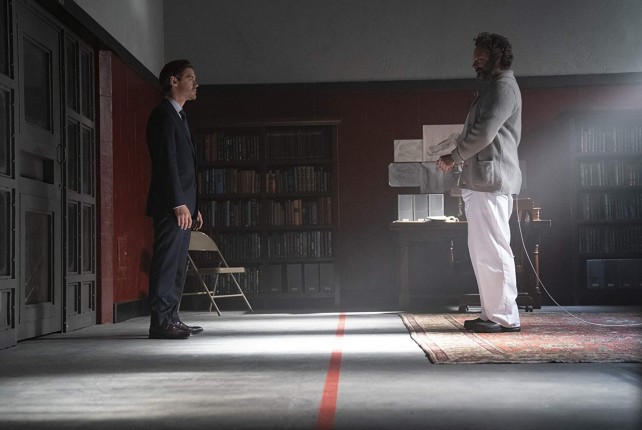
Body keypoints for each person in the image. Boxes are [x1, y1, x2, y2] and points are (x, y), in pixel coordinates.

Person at [438, 33, 522, 333]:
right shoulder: (493, 88)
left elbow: (485, 133)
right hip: (481, 180)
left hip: (491, 180)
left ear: (497, 56)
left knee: (494, 249)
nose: (474, 61)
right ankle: (493, 313)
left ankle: (505, 317)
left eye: (480, 56)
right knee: (483, 251)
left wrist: (455, 156)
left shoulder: (503, 88)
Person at [146, 59, 204, 339]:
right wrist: (179, 202)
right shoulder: (163, 115)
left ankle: (172, 317)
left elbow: (187, 167)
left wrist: (194, 206)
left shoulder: (181, 117)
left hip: (184, 205)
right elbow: (166, 163)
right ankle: (160, 323)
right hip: (172, 205)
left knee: (178, 264)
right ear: (173, 81)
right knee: (167, 262)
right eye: (190, 77)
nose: (195, 83)